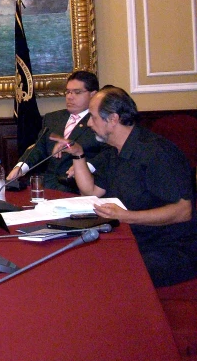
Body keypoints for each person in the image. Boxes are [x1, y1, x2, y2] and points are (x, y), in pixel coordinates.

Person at [53, 86, 197, 287]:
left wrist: (125, 216)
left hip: (170, 248)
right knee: (77, 259)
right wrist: (77, 154)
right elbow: (91, 192)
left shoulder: (157, 153)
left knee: (107, 275)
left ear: (112, 119)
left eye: (93, 117)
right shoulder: (115, 152)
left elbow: (184, 211)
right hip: (135, 237)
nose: (89, 123)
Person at [7, 70, 104, 193]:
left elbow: (107, 153)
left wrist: (86, 167)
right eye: (68, 92)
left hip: (76, 186)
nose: (70, 96)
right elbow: (38, 148)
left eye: (77, 92)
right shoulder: (53, 119)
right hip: (47, 184)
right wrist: (20, 167)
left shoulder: (100, 121)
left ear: (93, 94)